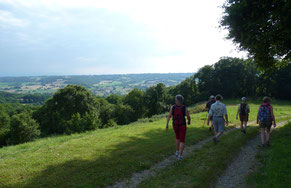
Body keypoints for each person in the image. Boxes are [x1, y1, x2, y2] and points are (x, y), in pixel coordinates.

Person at [166, 94, 191, 160]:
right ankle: (180, 156)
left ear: (176, 100)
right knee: (182, 140)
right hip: (182, 125)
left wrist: (167, 124)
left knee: (177, 138)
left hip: (175, 125)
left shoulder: (172, 107)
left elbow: (169, 116)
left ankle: (177, 152)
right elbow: (188, 116)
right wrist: (189, 121)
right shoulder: (184, 107)